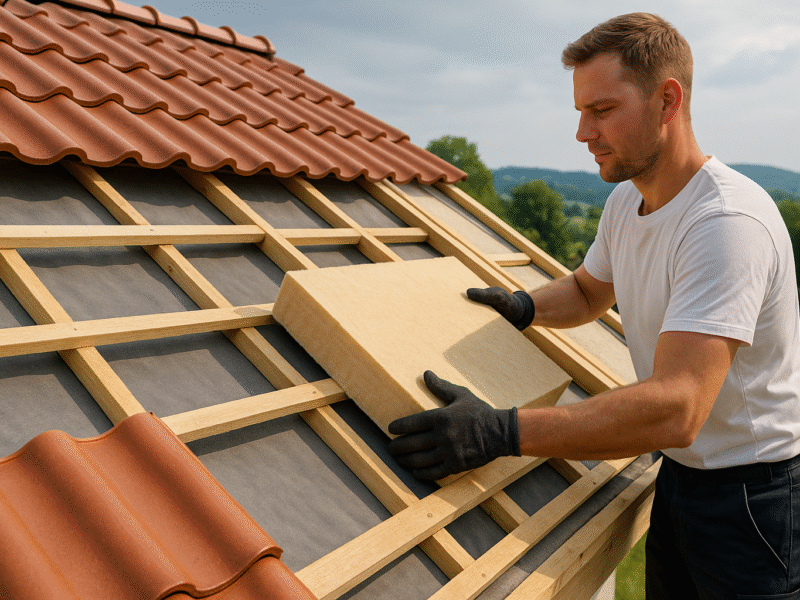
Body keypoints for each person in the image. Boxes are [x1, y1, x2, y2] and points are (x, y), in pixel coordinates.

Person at [388, 12, 800, 599]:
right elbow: (587, 292)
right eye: (580, 112)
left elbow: (678, 408)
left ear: (668, 100)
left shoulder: (725, 224)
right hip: (683, 480)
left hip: (752, 498)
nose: (583, 133)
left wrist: (500, 432)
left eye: (602, 110)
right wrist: (522, 306)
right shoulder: (626, 204)